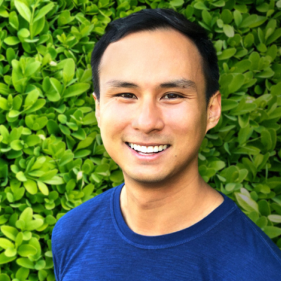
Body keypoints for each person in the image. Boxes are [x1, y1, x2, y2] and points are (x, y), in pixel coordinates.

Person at [51, 8, 281, 280]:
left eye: (172, 95)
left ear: (211, 110)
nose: (147, 122)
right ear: (98, 109)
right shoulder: (72, 231)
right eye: (126, 94)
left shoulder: (255, 269)